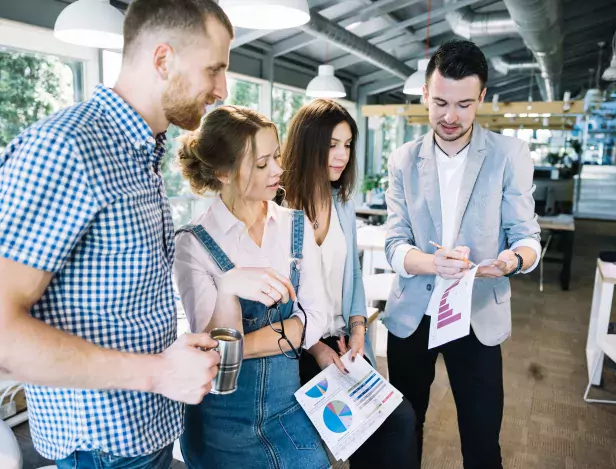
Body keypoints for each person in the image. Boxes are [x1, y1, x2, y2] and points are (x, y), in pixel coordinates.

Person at [0, 1, 233, 467]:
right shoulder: (65, 149)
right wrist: (158, 373)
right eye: (214, 70)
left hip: (144, 430)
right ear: (163, 60)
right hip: (100, 446)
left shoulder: (141, 152)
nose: (222, 90)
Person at [384, 40, 541, 469]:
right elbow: (394, 244)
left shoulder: (510, 156)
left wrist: (508, 262)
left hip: (476, 313)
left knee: (482, 438)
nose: (450, 116)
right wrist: (432, 263)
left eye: (464, 104)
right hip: (413, 314)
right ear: (425, 95)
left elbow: (527, 237)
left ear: (482, 98)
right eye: (439, 103)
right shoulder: (402, 159)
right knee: (402, 430)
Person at [173, 105, 331, 469]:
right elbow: (213, 348)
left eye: (276, 156)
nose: (277, 169)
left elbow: (317, 318)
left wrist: (242, 346)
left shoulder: (295, 225)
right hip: (220, 423)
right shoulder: (193, 242)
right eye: (262, 164)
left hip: (287, 409)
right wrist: (228, 288)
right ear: (222, 173)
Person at [281, 99, 418, 469]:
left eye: (347, 144)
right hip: (297, 349)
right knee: (370, 431)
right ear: (309, 144)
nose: (341, 155)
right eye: (331, 145)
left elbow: (353, 276)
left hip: (343, 342)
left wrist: (359, 331)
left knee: (398, 421)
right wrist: (317, 350)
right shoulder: (279, 208)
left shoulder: (340, 200)